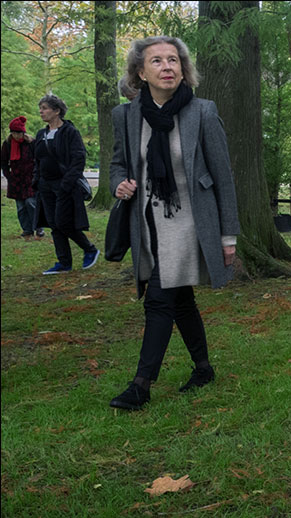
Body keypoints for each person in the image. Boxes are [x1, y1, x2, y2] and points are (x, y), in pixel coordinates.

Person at [108, 36, 239, 411]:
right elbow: (119, 163)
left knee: (160, 298)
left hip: (189, 220)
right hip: (147, 221)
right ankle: (203, 367)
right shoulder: (126, 115)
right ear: (139, 72)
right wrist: (119, 182)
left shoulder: (203, 111)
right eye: (157, 61)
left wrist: (228, 236)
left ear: (183, 69)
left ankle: (141, 385)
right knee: (181, 298)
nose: (167, 67)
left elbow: (223, 176)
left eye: (173, 60)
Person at [32, 94, 99, 274]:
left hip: (64, 185)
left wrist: (66, 184)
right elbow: (37, 160)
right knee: (54, 225)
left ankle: (90, 249)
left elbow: (78, 159)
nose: (41, 111)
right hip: (45, 185)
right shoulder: (41, 134)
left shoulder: (70, 132)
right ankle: (64, 263)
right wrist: (36, 180)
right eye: (41, 108)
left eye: (45, 108)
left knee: (63, 222)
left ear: (57, 111)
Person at [1, 116, 41, 238]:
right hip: (16, 180)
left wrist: (36, 175)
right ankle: (27, 229)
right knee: (21, 207)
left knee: (31, 203)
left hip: (30, 179)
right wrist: (9, 176)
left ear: (23, 133)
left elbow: (38, 160)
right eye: (13, 133)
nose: (16, 135)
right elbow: (3, 162)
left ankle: (38, 227)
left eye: (18, 133)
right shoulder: (7, 144)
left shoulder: (31, 143)